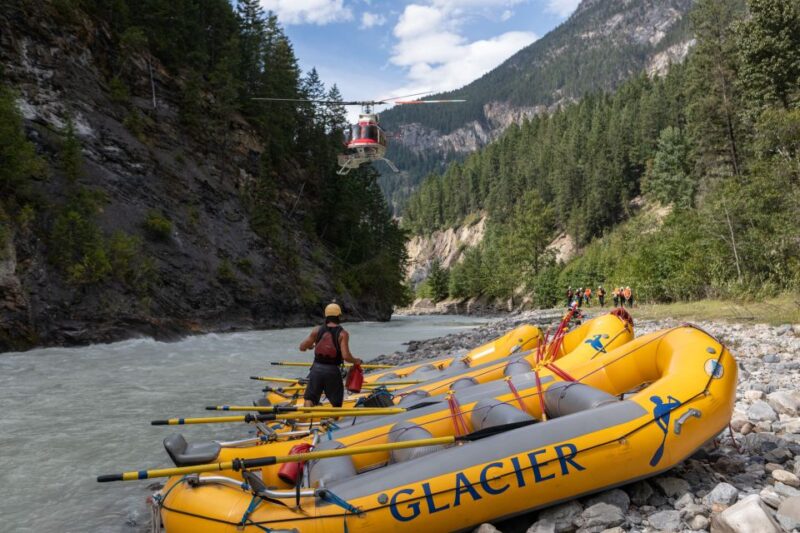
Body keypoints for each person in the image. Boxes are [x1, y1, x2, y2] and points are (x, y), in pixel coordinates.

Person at [299, 302, 362, 407]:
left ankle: (305, 418)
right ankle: (333, 420)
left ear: (326, 316)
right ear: (339, 316)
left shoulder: (316, 330)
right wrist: (356, 361)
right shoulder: (343, 334)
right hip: (332, 371)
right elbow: (346, 356)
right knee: (336, 403)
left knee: (310, 399)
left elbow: (302, 347)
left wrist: (309, 347)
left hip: (316, 369)